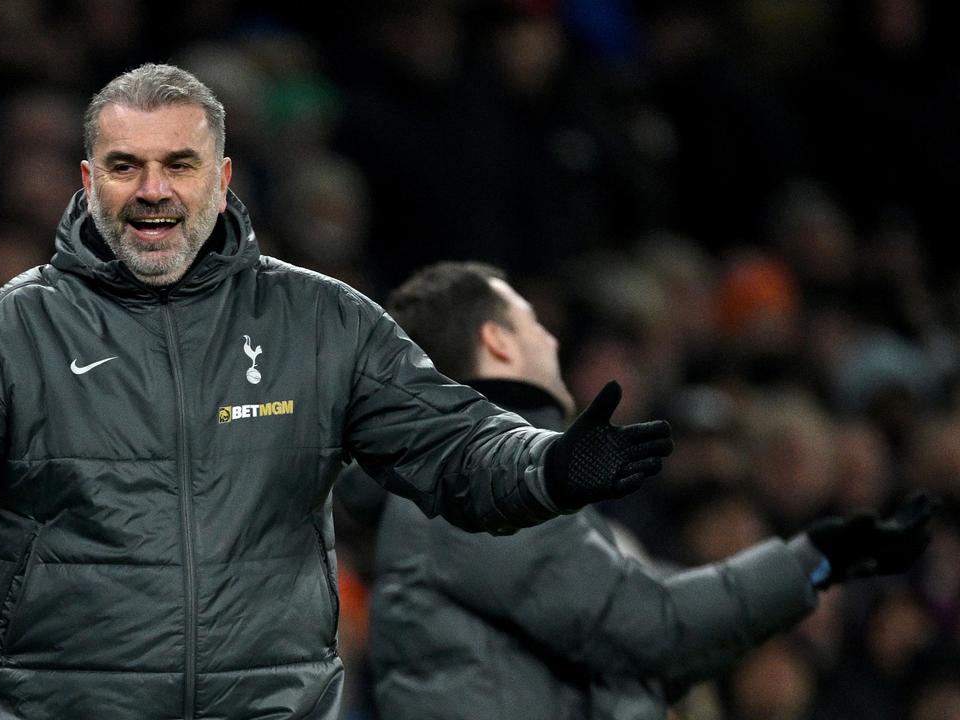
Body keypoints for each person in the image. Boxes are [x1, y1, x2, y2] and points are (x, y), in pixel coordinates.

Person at [0, 65, 675, 719]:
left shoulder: (323, 322)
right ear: (88, 180)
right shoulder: (13, 330)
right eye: (124, 166)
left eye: (177, 164)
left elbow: (456, 447)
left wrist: (548, 467)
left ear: (222, 177)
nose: (152, 191)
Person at [337, 261, 935, 720]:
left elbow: (636, 629)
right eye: (533, 323)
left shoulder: (469, 491)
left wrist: (815, 559)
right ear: (499, 342)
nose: (551, 339)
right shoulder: (476, 500)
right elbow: (653, 629)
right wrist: (811, 559)